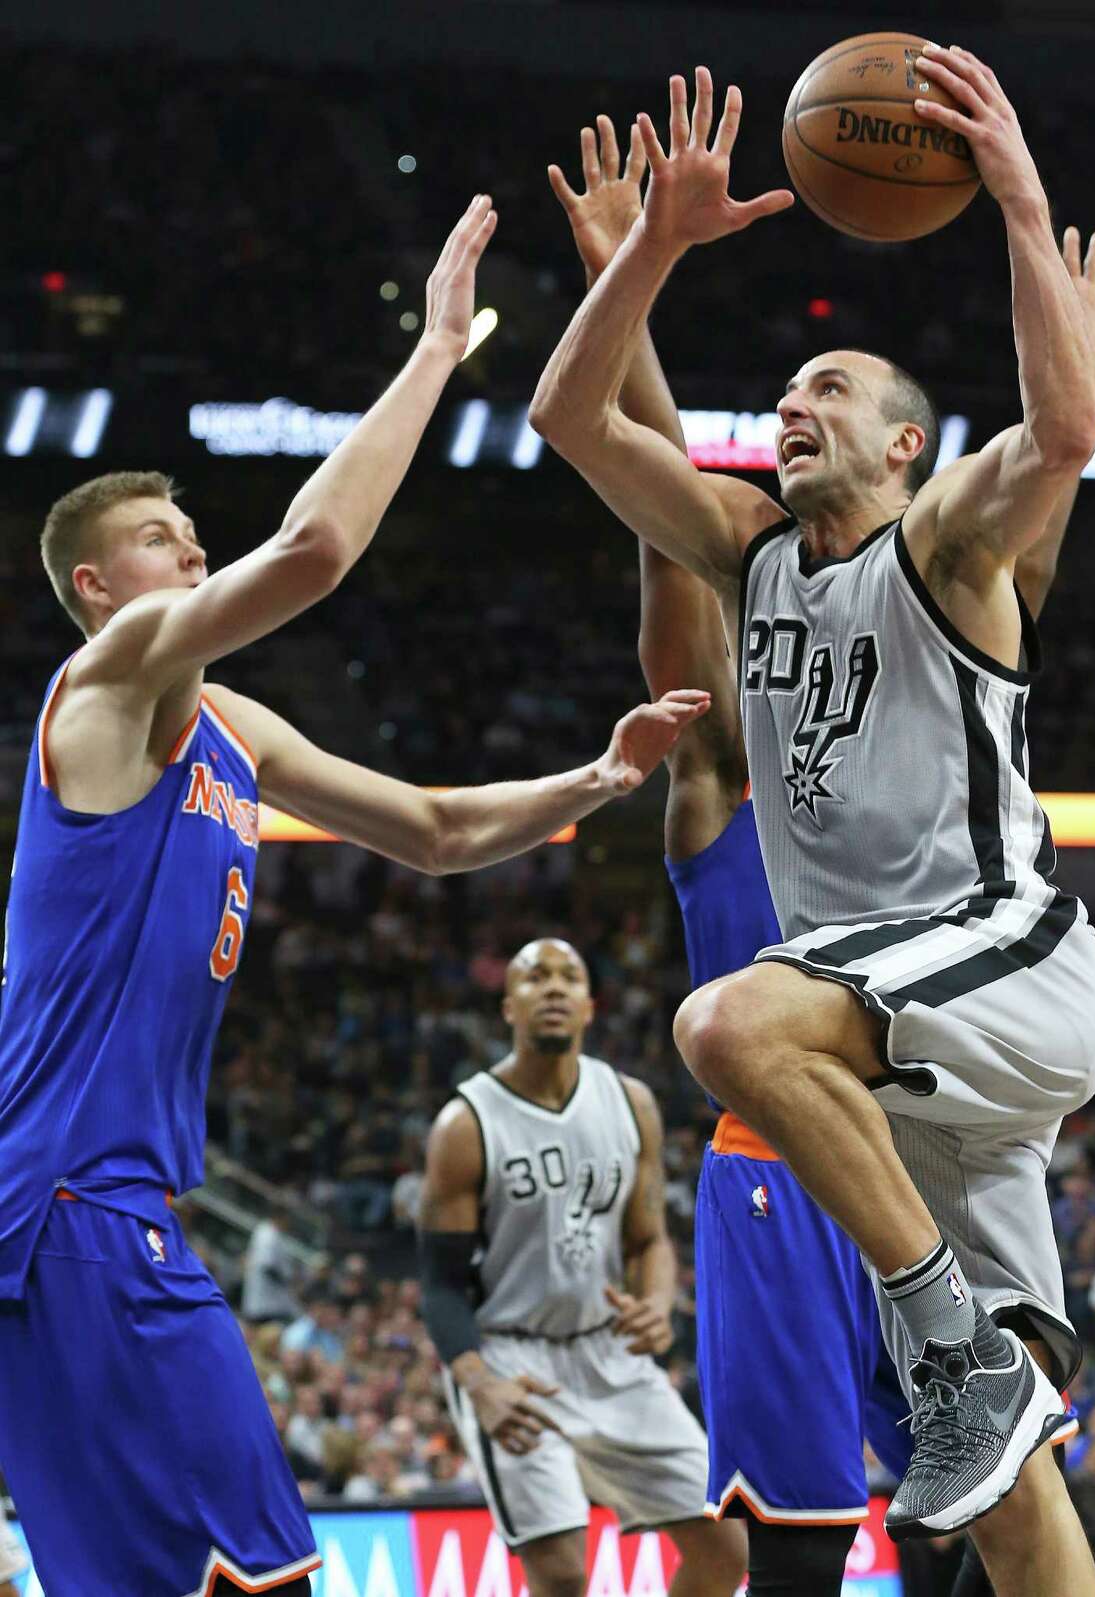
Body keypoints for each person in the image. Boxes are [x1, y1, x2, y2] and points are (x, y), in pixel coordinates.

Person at [0, 195, 710, 1597]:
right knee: (264, 1570)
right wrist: (439, 348)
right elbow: (314, 554)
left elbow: (438, 832)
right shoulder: (107, 679)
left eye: (195, 532)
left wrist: (596, 780)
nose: (193, 550)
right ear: (98, 584)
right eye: (163, 533)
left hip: (78, 1208)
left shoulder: (234, 730)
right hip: (71, 1204)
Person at [531, 54, 1095, 1595]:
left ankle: (952, 1354)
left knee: (724, 1021)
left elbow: (1061, 435)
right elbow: (570, 415)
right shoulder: (749, 549)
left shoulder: (946, 548)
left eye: (834, 392)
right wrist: (653, 250)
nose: (796, 405)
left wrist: (1010, 188)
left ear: (903, 450)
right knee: (1004, 1480)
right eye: (789, 394)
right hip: (907, 1048)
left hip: (1009, 965)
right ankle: (974, 1375)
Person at [418, 938, 747, 1597]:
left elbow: (649, 1240)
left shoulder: (631, 1103)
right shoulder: (466, 1123)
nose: (554, 987)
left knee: (728, 1547)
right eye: (535, 977)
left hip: (607, 1349)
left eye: (570, 975)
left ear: (591, 1007)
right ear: (508, 1005)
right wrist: (479, 1383)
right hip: (512, 1357)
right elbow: (439, 1283)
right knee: (564, 1572)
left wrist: (655, 1301)